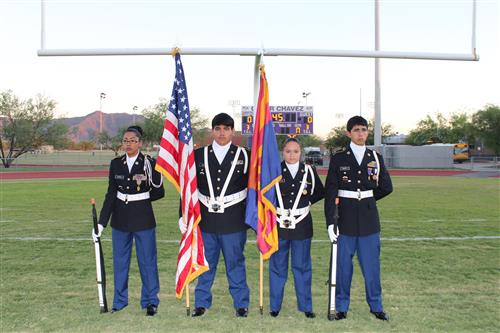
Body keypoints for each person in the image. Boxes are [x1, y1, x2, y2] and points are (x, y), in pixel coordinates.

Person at [180, 113, 250, 318]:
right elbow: (188, 188)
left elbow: (254, 189)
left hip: (234, 220)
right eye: (218, 128)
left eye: (226, 129)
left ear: (232, 131)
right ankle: (201, 303)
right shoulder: (198, 155)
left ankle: (241, 304)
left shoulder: (246, 155)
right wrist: (182, 215)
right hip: (206, 220)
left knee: (235, 264)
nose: (222, 133)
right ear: (212, 131)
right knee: (204, 264)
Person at [324, 116, 393, 321]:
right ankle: (341, 306)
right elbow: (330, 192)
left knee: (371, 266)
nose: (360, 133)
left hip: (369, 220)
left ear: (367, 132)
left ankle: (376, 306)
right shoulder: (339, 158)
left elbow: (386, 187)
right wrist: (330, 222)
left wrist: (367, 199)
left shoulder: (375, 157)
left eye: (364, 129)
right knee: (343, 267)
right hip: (344, 218)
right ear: (348, 133)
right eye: (356, 130)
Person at [92, 125, 164, 316]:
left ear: (140, 143)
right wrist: (101, 222)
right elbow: (111, 194)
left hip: (143, 218)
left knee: (147, 262)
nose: (128, 144)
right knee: (120, 262)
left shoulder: (150, 163)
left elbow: (159, 191)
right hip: (120, 220)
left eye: (132, 140)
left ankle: (150, 302)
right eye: (125, 141)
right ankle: (119, 301)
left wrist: (140, 198)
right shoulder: (116, 164)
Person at [269, 138, 325, 318]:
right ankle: (275, 306)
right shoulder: (274, 171)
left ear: (301, 153)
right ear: (282, 152)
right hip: (279, 225)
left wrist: (306, 202)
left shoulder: (309, 171)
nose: (292, 155)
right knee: (278, 267)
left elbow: (320, 192)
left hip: (301, 225)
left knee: (301, 267)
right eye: (288, 151)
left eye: (295, 151)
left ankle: (306, 306)